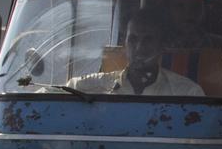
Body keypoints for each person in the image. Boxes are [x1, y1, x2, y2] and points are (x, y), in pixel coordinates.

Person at [71, 8, 204, 96]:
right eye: (133, 39)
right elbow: (59, 94)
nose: (139, 48)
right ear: (125, 44)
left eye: (148, 40)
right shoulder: (92, 86)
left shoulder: (186, 93)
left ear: (161, 45)